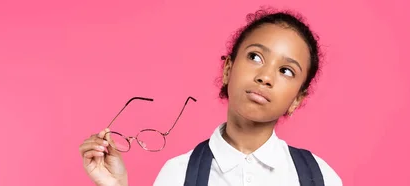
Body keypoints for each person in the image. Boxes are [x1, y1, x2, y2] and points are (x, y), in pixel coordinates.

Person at [79, 7, 342, 186]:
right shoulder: (178, 174)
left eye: (286, 70)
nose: (265, 76)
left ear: (297, 100)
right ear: (228, 69)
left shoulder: (319, 176)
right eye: (255, 57)